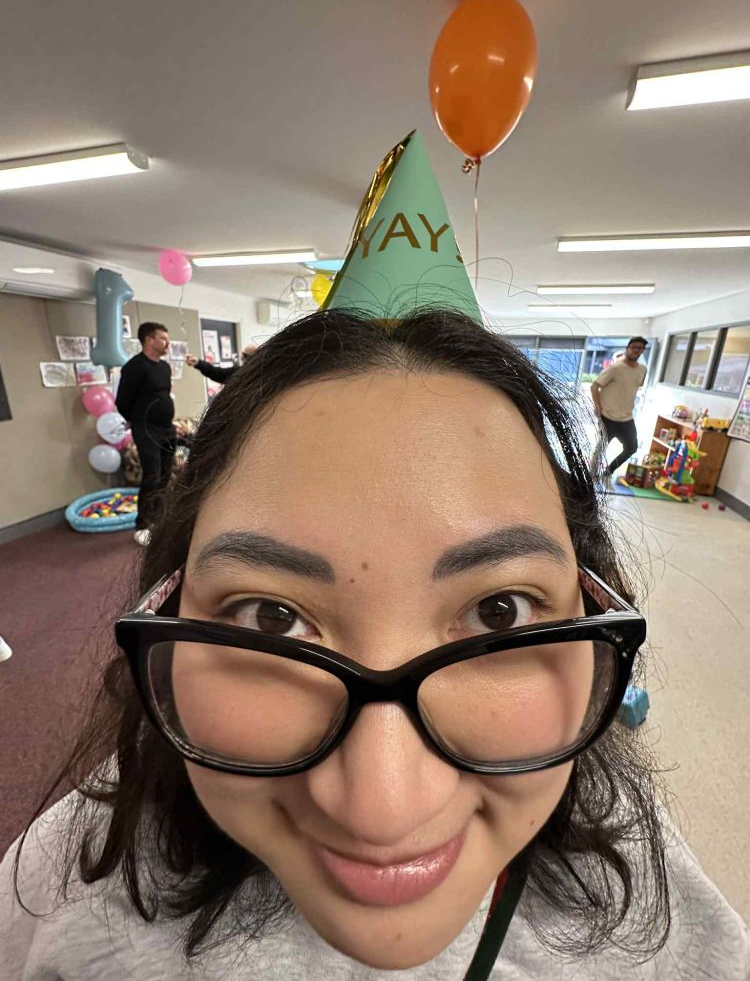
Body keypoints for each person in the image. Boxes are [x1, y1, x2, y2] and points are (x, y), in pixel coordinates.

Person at [2, 310, 747, 980]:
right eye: (270, 617)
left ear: (592, 605)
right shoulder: (63, 891)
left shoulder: (654, 900)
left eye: (497, 611)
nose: (382, 809)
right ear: (165, 602)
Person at [115, 321, 178, 545]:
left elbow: (163, 395)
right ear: (149, 340)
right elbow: (122, 401)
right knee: (151, 477)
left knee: (164, 477)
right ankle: (142, 525)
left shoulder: (164, 367)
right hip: (147, 429)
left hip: (167, 428)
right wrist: (138, 420)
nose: (167, 343)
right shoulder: (135, 367)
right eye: (163, 338)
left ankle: (159, 520)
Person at [590, 336, 648, 478]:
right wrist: (598, 406)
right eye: (633, 347)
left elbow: (634, 386)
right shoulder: (615, 368)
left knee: (631, 448)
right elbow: (595, 386)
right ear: (627, 349)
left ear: (643, 351)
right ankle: (590, 475)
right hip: (608, 416)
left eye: (639, 348)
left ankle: (607, 473)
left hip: (627, 417)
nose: (636, 351)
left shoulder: (642, 370)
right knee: (601, 448)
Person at [186, 343, 258, 384]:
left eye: (244, 355)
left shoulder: (240, 373)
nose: (242, 358)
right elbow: (216, 373)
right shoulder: (238, 372)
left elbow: (216, 373)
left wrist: (199, 363)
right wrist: (198, 363)